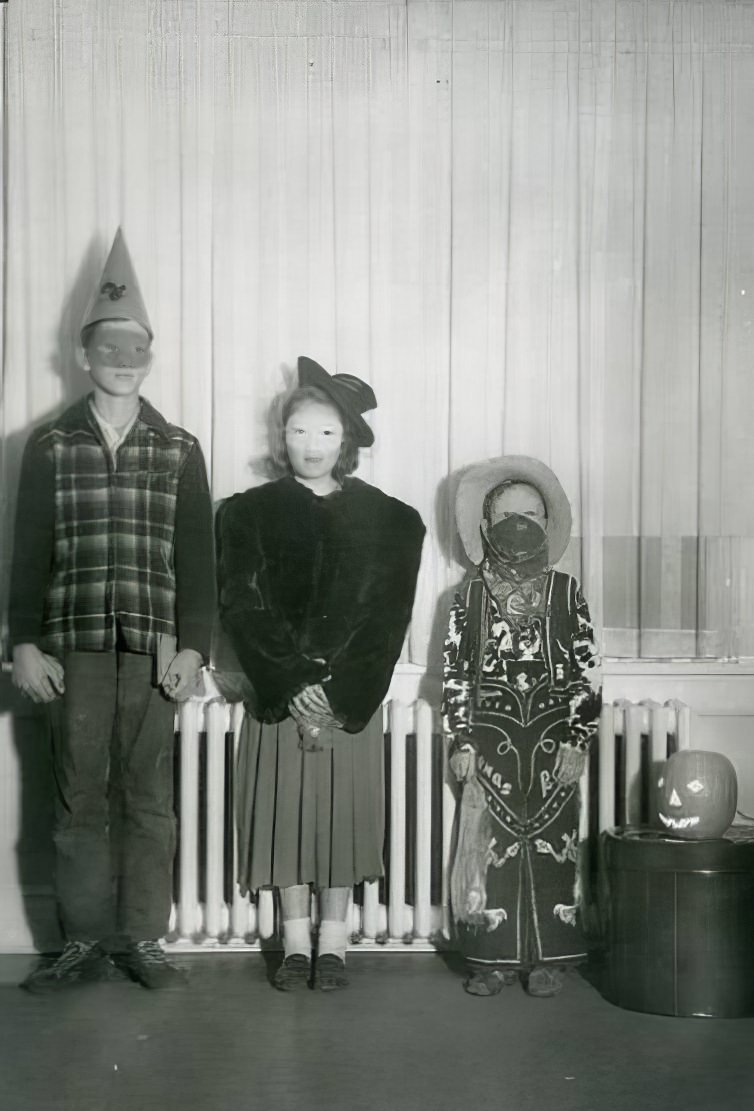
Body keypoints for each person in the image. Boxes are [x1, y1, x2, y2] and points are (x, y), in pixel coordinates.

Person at [9, 228, 216, 992]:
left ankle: (142, 939)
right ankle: (83, 941)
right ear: (83, 356)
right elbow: (27, 554)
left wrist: (195, 646)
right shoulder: (48, 446)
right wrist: (23, 643)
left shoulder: (180, 449)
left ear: (150, 359)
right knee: (76, 798)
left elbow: (199, 562)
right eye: (109, 351)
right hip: (76, 646)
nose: (123, 365)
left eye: (137, 353)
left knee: (149, 798)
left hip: (156, 649)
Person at [216, 356, 425, 991]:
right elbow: (242, 605)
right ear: (282, 436)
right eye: (300, 431)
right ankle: (296, 944)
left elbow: (388, 620)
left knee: (340, 822)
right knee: (287, 820)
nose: (312, 446)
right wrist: (291, 680)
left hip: (348, 702)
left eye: (327, 433)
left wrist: (340, 692)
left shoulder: (394, 522)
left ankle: (335, 946)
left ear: (349, 442)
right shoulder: (246, 513)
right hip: (280, 699)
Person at [442, 457, 601, 997]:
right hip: (491, 738)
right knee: (489, 843)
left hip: (555, 737)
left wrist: (579, 739)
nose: (520, 523)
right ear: (484, 527)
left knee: (554, 843)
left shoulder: (568, 591)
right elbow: (455, 672)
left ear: (548, 525)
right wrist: (461, 738)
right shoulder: (467, 597)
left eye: (531, 514)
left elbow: (586, 670)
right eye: (508, 514)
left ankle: (548, 958)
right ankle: (491, 959)